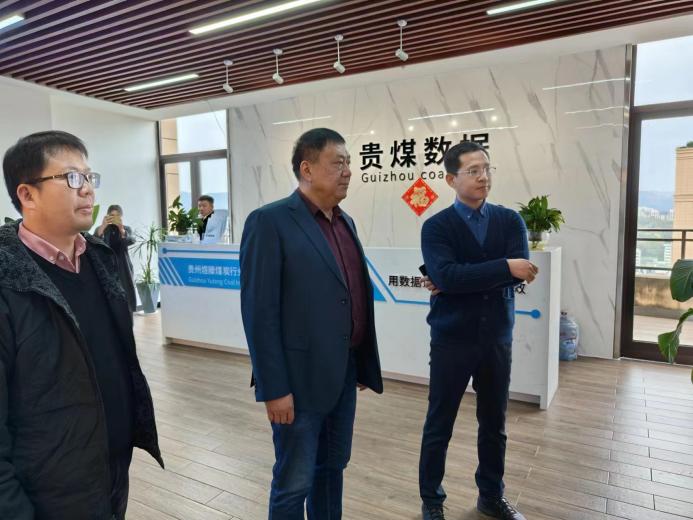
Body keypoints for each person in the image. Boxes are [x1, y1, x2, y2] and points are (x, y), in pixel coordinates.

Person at [0, 131, 163, 520]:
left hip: (111, 470)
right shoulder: (8, 279)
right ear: (27, 194)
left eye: (90, 177)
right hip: (47, 491)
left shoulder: (99, 259)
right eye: (72, 177)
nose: (87, 189)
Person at [240, 128, 383, 519]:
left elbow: (350, 294)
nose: (348, 171)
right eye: (338, 163)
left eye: (349, 163)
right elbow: (259, 312)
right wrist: (273, 388)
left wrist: (358, 360)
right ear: (306, 169)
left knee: (332, 469)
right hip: (297, 382)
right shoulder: (269, 222)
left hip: (343, 373)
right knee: (294, 482)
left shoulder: (345, 222)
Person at [418, 141, 537, 520]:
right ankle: (432, 501)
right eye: (473, 170)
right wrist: (503, 267)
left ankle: (491, 496)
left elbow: (521, 272)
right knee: (440, 422)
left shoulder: (510, 221)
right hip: (452, 337)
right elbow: (447, 277)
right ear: (451, 179)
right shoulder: (436, 227)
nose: (483, 176)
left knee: (494, 424)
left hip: (496, 338)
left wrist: (459, 278)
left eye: (487, 168)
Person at [96, 204, 136, 312]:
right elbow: (95, 244)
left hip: (123, 266)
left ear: (121, 216)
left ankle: (128, 318)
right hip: (107, 266)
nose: (114, 218)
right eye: (112, 215)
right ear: (107, 216)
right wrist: (102, 227)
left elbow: (131, 241)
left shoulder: (126, 229)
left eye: (117, 216)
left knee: (126, 295)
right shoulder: (102, 229)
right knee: (109, 296)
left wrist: (122, 230)